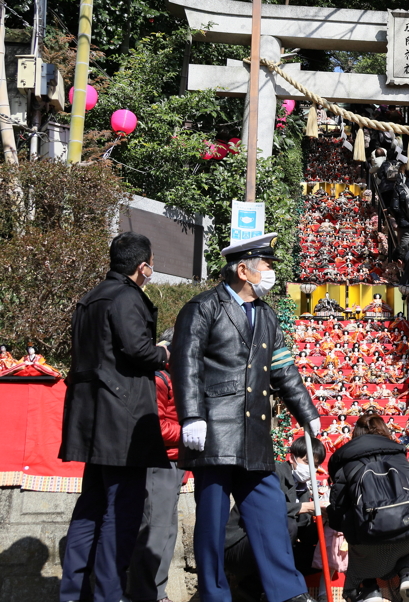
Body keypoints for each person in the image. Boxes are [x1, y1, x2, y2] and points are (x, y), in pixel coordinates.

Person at [171, 232, 320, 602]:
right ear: (243, 270)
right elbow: (184, 363)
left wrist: (308, 412)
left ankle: (287, 592)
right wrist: (192, 415)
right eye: (266, 265)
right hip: (215, 429)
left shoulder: (267, 315)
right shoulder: (204, 306)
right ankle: (214, 594)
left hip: (254, 430)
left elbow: (284, 370)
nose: (271, 272)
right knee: (211, 521)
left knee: (269, 514)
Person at [59, 232, 171, 602]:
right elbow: (138, 350)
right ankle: (109, 593)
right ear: (143, 267)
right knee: (121, 511)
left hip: (89, 416)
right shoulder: (126, 297)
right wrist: (165, 352)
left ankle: (73, 592)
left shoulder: (89, 298)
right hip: (121, 417)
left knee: (90, 507)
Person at [327, 414, 409, 602]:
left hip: (367, 540)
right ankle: (406, 576)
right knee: (404, 543)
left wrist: (349, 527)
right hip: (406, 535)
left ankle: (371, 591)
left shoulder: (345, 465)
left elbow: (338, 510)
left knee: (361, 558)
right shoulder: (400, 458)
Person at [224, 436, 328, 602]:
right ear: (292, 457)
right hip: (239, 545)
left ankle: (251, 587)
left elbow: (306, 536)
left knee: (318, 556)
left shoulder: (303, 489)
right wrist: (306, 507)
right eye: (307, 462)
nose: (311, 469)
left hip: (268, 549)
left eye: (316, 465)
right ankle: (282, 592)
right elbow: (265, 509)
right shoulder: (272, 474)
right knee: (287, 524)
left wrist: (324, 521)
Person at [128, 328, 186, 602]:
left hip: (175, 461)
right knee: (155, 529)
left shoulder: (176, 378)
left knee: (167, 531)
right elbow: (156, 427)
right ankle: (144, 593)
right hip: (159, 461)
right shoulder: (159, 378)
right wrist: (189, 433)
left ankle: (156, 592)